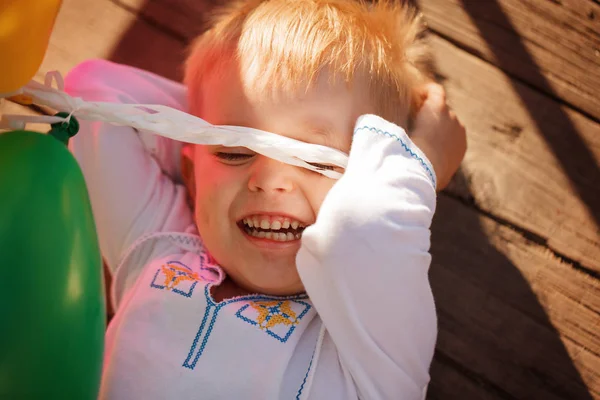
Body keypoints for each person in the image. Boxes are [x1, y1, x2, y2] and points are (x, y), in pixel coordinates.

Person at [66, 0, 466, 398]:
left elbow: (361, 231)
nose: (270, 180)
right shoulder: (157, 246)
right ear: (190, 175)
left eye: (315, 160)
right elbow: (91, 95)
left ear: (374, 179)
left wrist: (422, 158)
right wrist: (208, 114)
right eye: (234, 151)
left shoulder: (372, 343)